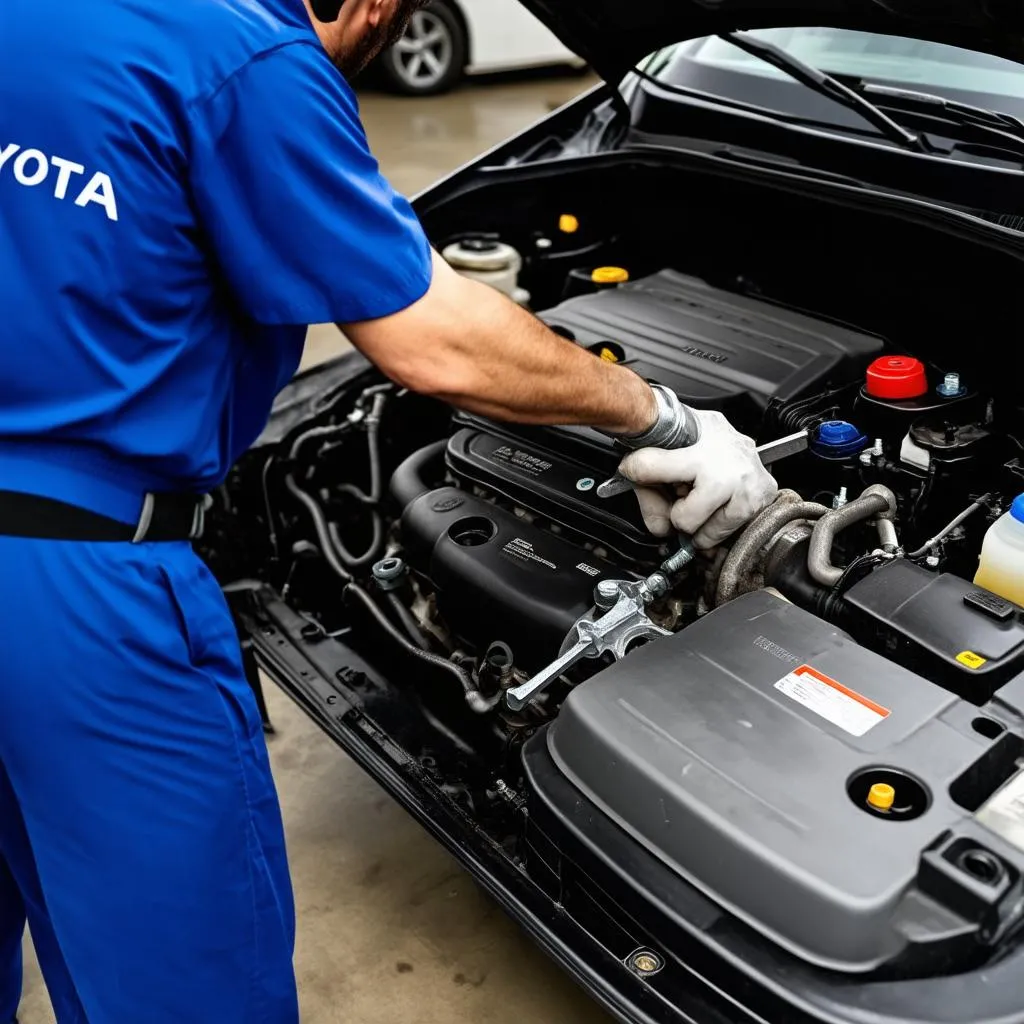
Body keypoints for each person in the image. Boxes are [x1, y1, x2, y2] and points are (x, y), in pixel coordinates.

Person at [0, 0, 777, 1020]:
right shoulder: (249, 59)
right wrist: (663, 420)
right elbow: (437, 346)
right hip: (80, 595)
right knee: (182, 989)